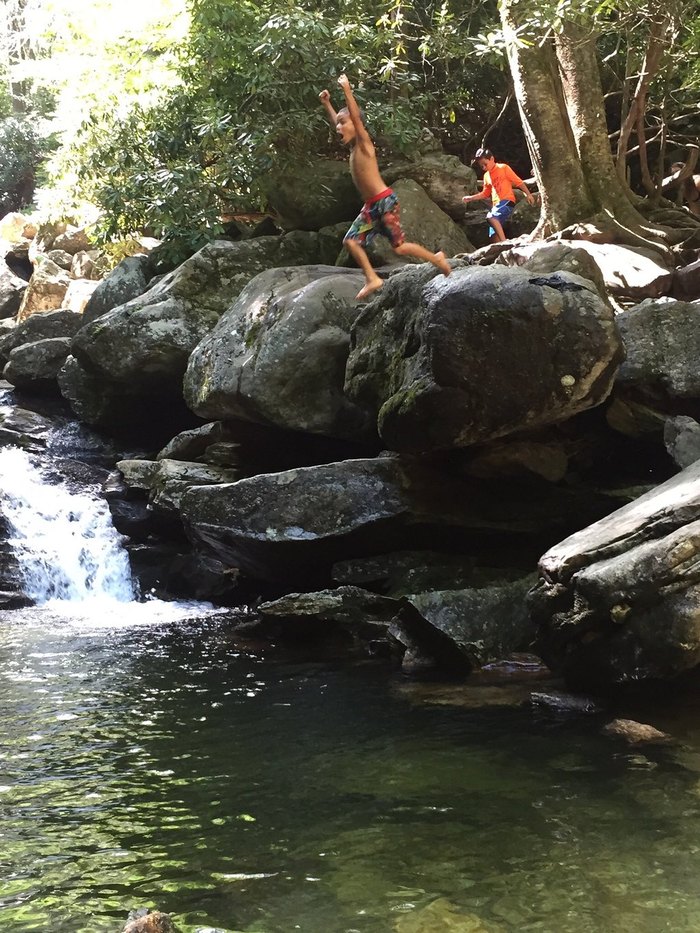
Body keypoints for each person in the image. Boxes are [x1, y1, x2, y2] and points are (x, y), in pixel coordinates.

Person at [319, 74, 451, 300]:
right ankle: (372, 278)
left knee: (399, 247)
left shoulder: (363, 144)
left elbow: (356, 121)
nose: (338, 127)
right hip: (371, 206)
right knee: (350, 241)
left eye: (343, 123)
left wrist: (348, 91)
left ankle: (436, 258)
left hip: (385, 202)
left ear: (355, 125)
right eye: (338, 123)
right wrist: (327, 104)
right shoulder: (352, 146)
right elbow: (342, 122)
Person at [462, 147, 535, 242]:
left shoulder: (503, 168)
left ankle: (505, 242)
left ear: (492, 159)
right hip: (496, 206)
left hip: (507, 201)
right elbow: (485, 193)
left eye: (485, 164)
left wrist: (528, 194)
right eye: (481, 166)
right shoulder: (486, 176)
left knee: (491, 217)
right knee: (492, 233)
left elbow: (518, 182)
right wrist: (471, 198)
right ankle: (502, 249)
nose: (484, 167)